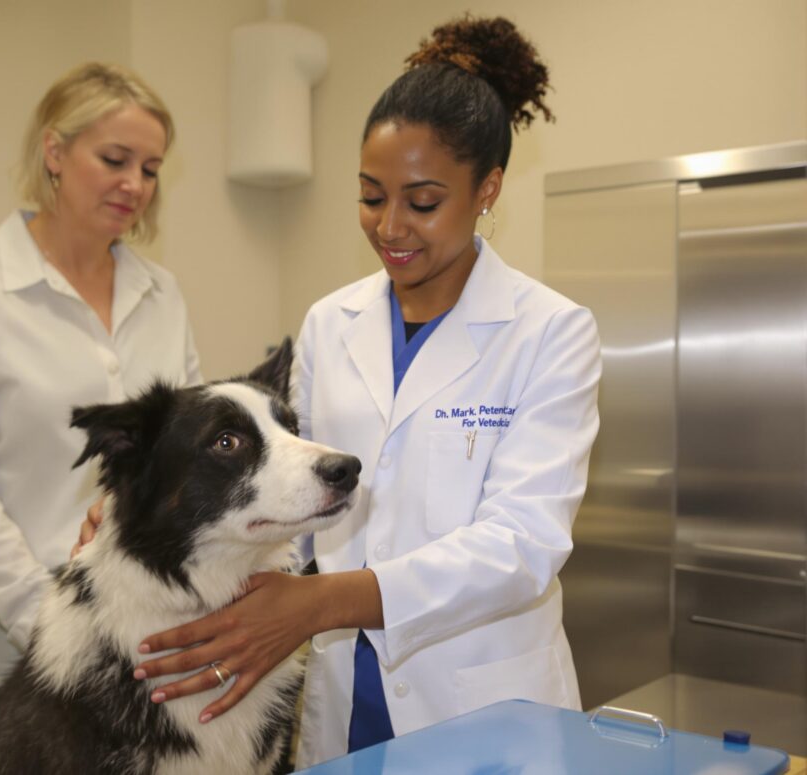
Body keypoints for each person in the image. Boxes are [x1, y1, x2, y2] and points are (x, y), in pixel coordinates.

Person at [79, 13, 601, 770]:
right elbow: (290, 486)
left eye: (422, 202)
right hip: (345, 695)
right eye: (369, 195)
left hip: (485, 702)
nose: (391, 227)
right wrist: (150, 496)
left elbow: (523, 546)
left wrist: (320, 602)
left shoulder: (550, 331)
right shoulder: (333, 322)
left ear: (487, 190)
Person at [0, 62, 201, 775]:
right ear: (55, 153)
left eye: (151, 168)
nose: (135, 184)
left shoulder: (163, 295)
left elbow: (176, 464)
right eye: (115, 159)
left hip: (127, 658)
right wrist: (54, 617)